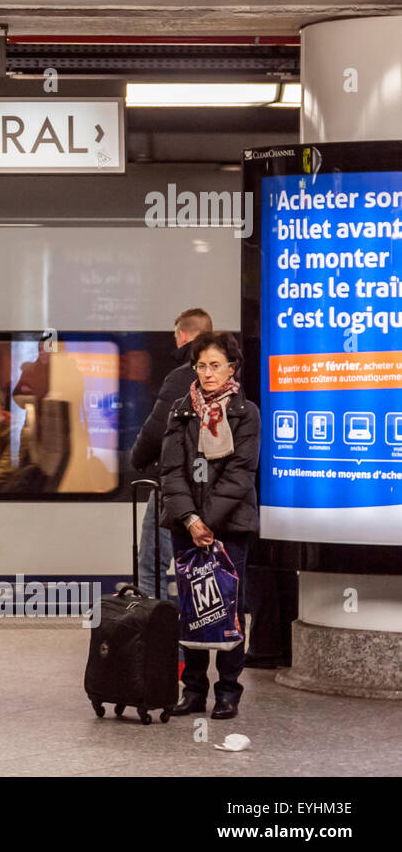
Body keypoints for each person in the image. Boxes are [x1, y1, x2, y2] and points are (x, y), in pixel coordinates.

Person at [160, 331, 260, 721]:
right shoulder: (181, 409)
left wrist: (209, 522)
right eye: (201, 365)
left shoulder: (245, 412)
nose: (207, 373)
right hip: (187, 526)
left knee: (228, 608)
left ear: (231, 368)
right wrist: (190, 518)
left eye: (215, 365)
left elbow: (240, 474)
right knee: (193, 607)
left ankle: (229, 691)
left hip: (229, 528)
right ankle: (194, 690)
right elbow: (171, 471)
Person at [130, 307, 212, 598]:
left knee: (151, 565)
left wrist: (138, 461)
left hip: (176, 488)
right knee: (205, 567)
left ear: (182, 336)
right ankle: (199, 636)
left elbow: (155, 431)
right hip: (215, 487)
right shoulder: (231, 372)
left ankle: (159, 639)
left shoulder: (181, 376)